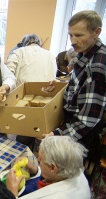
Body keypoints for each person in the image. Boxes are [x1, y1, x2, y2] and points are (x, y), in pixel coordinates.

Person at [43, 10, 106, 160]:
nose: (72, 41)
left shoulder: (97, 67)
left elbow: (88, 119)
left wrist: (58, 134)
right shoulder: (85, 52)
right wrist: (61, 83)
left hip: (81, 132)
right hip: (72, 121)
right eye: (71, 35)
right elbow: (81, 83)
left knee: (69, 169)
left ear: (96, 32)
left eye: (79, 35)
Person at [6, 34, 57, 143]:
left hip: (23, 99)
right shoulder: (50, 55)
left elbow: (8, 74)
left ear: (24, 43)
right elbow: (53, 78)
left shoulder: (19, 52)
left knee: (22, 129)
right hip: (44, 98)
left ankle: (22, 153)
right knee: (40, 130)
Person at [6, 136, 90, 198]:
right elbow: (51, 174)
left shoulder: (56, 196)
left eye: (41, 159)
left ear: (53, 168)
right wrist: (35, 170)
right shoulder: (74, 167)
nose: (38, 160)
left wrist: (11, 193)